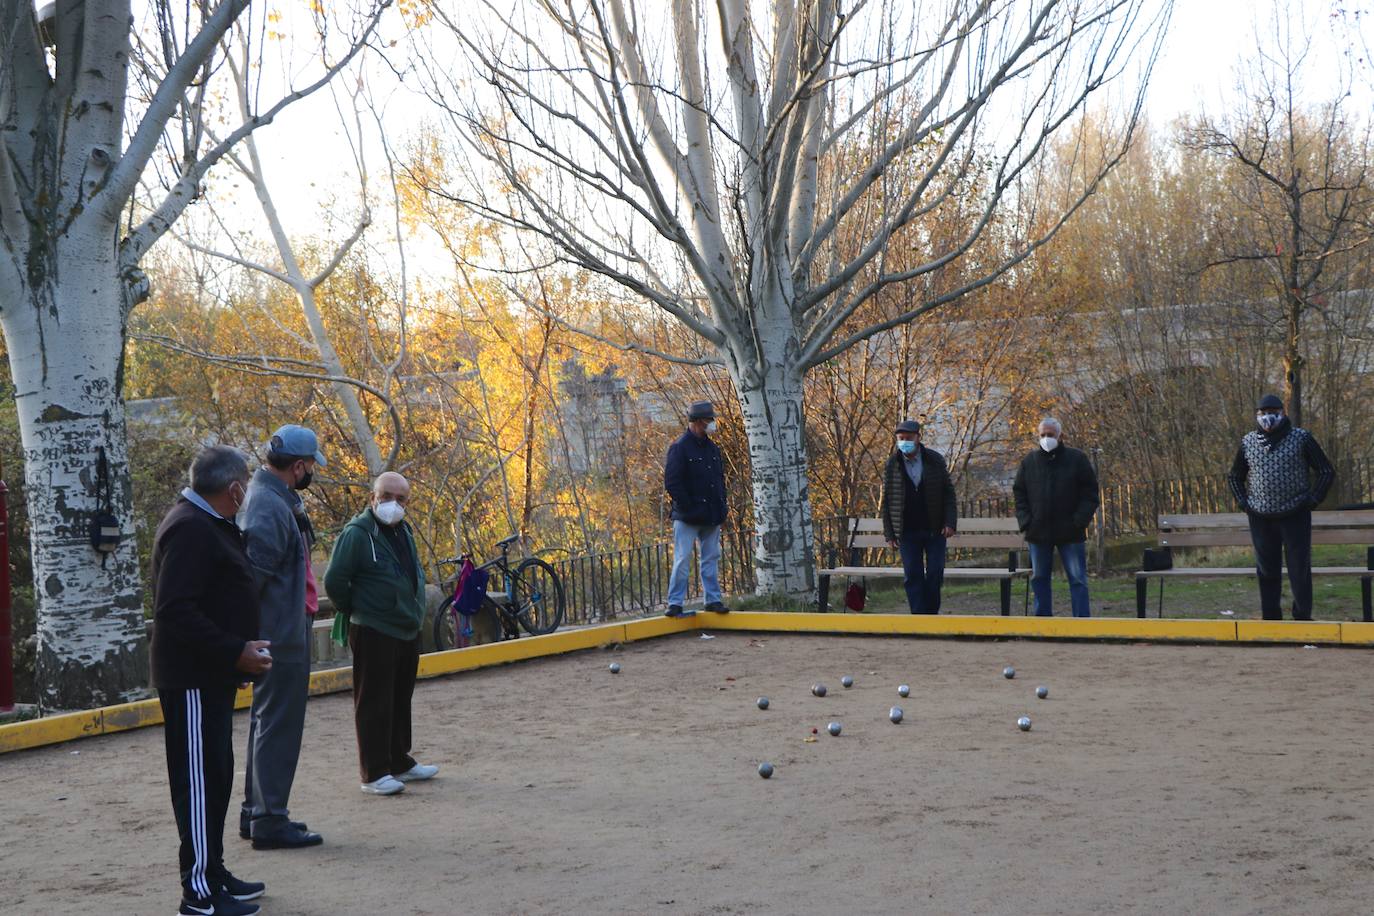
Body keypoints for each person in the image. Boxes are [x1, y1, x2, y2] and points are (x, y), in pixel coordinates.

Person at [151, 445, 272, 916]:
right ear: (234, 488)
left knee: (216, 777)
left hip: (210, 677)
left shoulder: (206, 523)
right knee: (199, 784)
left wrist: (234, 661)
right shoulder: (190, 528)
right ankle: (198, 893)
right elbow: (174, 611)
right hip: (192, 681)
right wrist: (233, 652)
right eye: (245, 483)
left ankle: (214, 872)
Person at [323, 471, 438, 796]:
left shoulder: (404, 531)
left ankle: (399, 761)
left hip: (404, 627)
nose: (393, 504)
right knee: (374, 701)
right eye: (387, 496)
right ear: (372, 498)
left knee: (400, 698)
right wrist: (356, 608)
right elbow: (335, 580)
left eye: (401, 499)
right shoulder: (357, 534)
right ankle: (373, 772)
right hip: (374, 628)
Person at [238, 425, 326, 850]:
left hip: (279, 627)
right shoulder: (269, 506)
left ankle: (256, 812)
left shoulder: (271, 497)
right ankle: (270, 819)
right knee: (278, 724)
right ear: (297, 466)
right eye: (311, 465)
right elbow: (253, 579)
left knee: (266, 720)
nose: (312, 472)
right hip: (280, 631)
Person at [1226, 394, 1335, 621]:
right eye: (1263, 413)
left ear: (1282, 412)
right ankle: (1271, 619)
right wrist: (1244, 503)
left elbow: (1325, 471)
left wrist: (1313, 499)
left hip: (1295, 513)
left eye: (1273, 411)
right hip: (1260, 516)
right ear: (1257, 415)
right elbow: (1235, 476)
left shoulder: (1301, 438)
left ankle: (1303, 617)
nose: (1268, 417)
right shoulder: (1248, 442)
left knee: (1299, 570)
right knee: (1266, 571)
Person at [1013, 418, 1100, 618]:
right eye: (1042, 435)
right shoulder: (1029, 462)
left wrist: (1078, 521)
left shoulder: (1077, 459)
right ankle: (1043, 622)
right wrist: (1026, 521)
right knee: (1039, 578)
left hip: (1070, 532)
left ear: (1060, 436)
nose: (1046, 438)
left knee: (1077, 579)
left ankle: (1081, 622)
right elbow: (1019, 493)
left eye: (1050, 435)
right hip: (1038, 531)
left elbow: (1090, 494)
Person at [880, 420, 957, 613]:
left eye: (909, 438)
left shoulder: (934, 460)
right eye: (901, 439)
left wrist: (950, 522)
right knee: (912, 575)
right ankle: (918, 616)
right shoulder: (892, 464)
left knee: (935, 573)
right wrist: (889, 533)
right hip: (907, 530)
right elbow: (887, 501)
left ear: (918, 438)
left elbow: (948, 493)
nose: (905, 442)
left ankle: (931, 614)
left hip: (935, 528)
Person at [663, 400, 730, 617]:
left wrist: (721, 508)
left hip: (711, 515)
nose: (712, 423)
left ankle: (713, 600)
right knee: (682, 559)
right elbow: (672, 482)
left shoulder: (712, 448)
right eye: (710, 419)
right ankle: (675, 603)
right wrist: (689, 505)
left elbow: (718, 480)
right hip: (688, 517)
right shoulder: (680, 447)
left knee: (711, 559)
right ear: (699, 421)